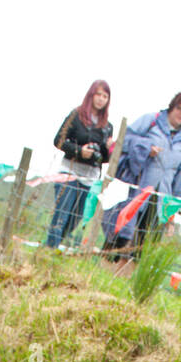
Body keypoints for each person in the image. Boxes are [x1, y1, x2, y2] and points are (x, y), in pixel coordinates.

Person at [102, 91, 181, 263]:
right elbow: (124, 139)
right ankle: (104, 268)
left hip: (160, 196)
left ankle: (126, 278)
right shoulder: (151, 121)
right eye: (179, 108)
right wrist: (146, 148)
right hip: (137, 187)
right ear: (172, 107)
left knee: (145, 242)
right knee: (122, 231)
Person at [45, 81, 113, 250]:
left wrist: (109, 149)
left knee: (75, 219)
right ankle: (49, 250)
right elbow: (58, 141)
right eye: (98, 94)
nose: (101, 99)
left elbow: (103, 158)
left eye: (105, 96)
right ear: (91, 95)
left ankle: (53, 247)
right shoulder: (76, 116)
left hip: (90, 179)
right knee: (61, 214)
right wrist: (78, 151)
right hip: (69, 172)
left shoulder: (107, 127)